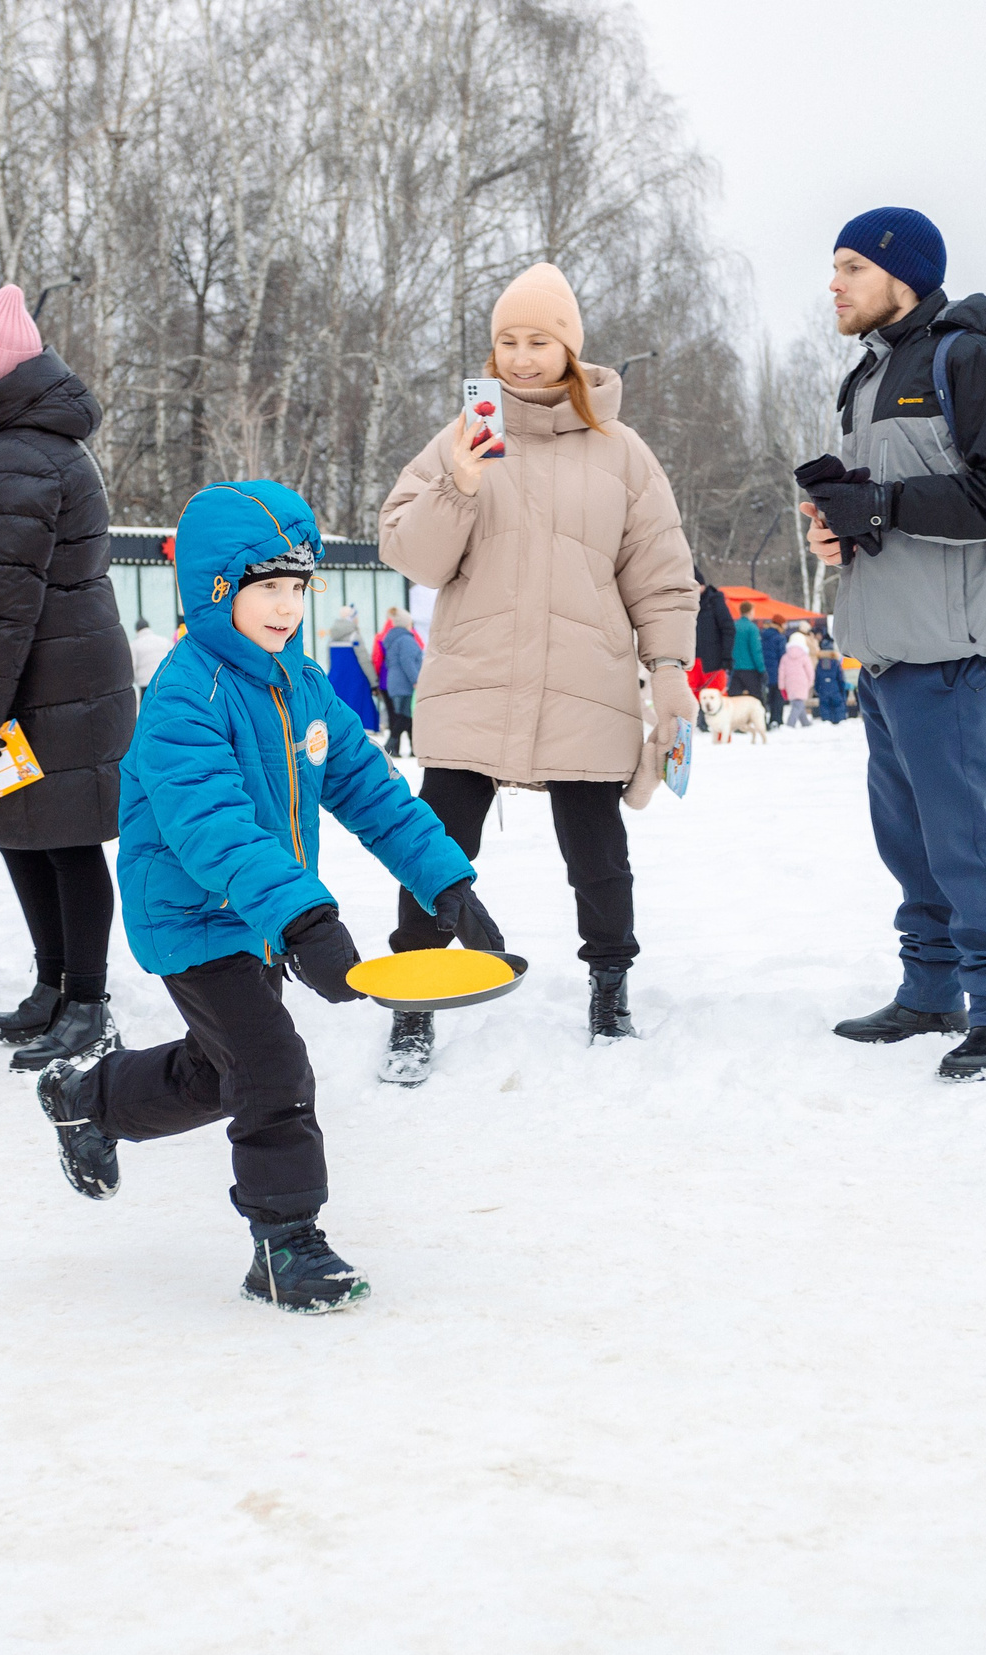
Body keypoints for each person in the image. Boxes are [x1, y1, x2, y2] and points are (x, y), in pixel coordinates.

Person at [33, 481, 501, 1314]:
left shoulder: (303, 684)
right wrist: (306, 916)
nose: (287, 607)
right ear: (219, 589)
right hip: (192, 914)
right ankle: (285, 1244)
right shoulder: (184, 697)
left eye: (298, 587)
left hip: (259, 911)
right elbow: (212, 828)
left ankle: (89, 1098)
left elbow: (372, 789)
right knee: (272, 1065)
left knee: (224, 1075)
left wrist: (447, 879)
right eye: (267, 588)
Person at [377, 260, 698, 1074]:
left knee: (597, 850)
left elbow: (659, 576)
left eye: (539, 341)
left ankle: (610, 987)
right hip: (477, 680)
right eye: (506, 341)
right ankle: (414, 997)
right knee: (437, 841)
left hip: (582, 684)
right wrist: (457, 483)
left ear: (570, 347)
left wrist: (668, 674)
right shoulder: (462, 438)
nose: (521, 357)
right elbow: (410, 554)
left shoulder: (623, 456)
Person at [797, 207, 986, 1081]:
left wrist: (888, 508)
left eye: (851, 267)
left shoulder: (968, 358)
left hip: (955, 643)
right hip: (883, 642)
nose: (834, 284)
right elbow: (879, 509)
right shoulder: (862, 377)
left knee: (960, 832)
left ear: (904, 274)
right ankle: (932, 989)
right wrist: (841, 532)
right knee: (906, 835)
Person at [0, 283, 138, 1067]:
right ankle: (54, 986)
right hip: (51, 676)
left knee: (66, 841)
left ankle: (86, 1000)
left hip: (49, 682)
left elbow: (6, 600)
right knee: (25, 834)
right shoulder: (25, 445)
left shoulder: (19, 453)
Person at [324, 606, 380, 733]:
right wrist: (373, 682)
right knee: (360, 716)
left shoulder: (332, 637)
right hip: (356, 681)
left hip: (336, 681)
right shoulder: (354, 636)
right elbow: (364, 660)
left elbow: (329, 661)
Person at [380, 608, 422, 755]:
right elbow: (408, 661)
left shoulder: (393, 638)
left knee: (406, 716)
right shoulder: (406, 640)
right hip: (405, 684)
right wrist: (416, 680)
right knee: (405, 716)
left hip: (396, 683)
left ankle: (414, 749)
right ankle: (389, 745)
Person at [692, 571, 736, 711]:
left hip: (713, 662)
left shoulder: (715, 601)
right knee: (688, 703)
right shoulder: (684, 603)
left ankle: (722, 733)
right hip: (691, 660)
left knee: (719, 704)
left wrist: (726, 656)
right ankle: (687, 732)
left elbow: (728, 629)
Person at [778, 623, 816, 726]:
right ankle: (790, 724)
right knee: (798, 704)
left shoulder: (785, 657)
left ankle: (805, 722)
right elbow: (810, 671)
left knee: (797, 702)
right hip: (802, 682)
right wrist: (810, 682)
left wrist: (782, 686)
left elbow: (781, 673)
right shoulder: (804, 656)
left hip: (789, 683)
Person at [730, 598, 767, 699]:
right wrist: (761, 669)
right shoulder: (752, 628)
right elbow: (756, 650)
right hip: (750, 669)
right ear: (750, 611)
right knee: (756, 700)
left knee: (735, 700)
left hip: (735, 668)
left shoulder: (734, 626)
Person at [813, 630, 850, 723]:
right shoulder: (836, 663)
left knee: (825, 707)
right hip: (835, 689)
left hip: (823, 689)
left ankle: (827, 722)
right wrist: (842, 689)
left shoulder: (819, 664)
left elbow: (816, 679)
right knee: (838, 706)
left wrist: (817, 689)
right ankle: (839, 722)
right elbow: (841, 678)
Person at [130, 616, 171, 696]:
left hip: (145, 683)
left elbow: (132, 665)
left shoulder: (134, 645)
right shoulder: (164, 641)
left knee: (147, 706)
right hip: (163, 680)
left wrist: (135, 680)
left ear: (137, 630)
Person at [759, 616, 789, 725]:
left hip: (763, 671)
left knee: (766, 697)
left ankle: (765, 720)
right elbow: (783, 657)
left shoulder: (762, 635)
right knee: (777, 697)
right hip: (777, 671)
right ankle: (776, 720)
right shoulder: (780, 638)